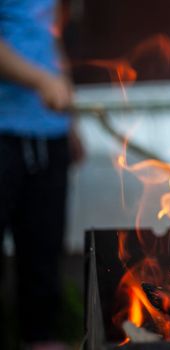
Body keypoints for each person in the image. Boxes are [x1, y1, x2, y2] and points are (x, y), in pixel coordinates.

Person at [0, 0, 82, 348]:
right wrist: (41, 80)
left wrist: (71, 122)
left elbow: (51, 39)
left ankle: (40, 338)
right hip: (4, 131)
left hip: (49, 133)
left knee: (44, 249)